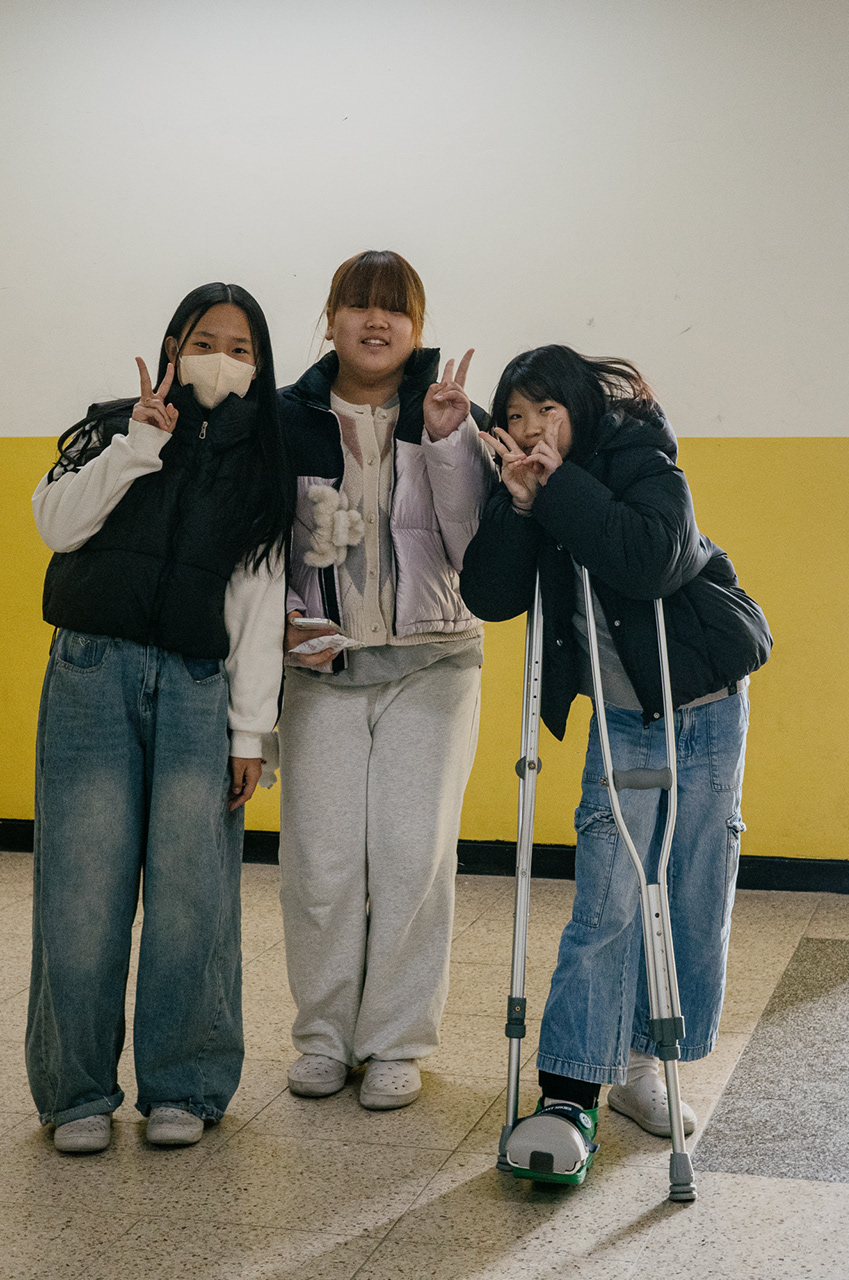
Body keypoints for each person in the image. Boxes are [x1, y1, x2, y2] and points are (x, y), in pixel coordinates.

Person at [459, 344, 770, 1178]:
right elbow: (489, 596)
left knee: (692, 890)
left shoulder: (639, 453)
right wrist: (517, 505)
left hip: (707, 700)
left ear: (580, 408)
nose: (531, 430)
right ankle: (569, 1092)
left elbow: (654, 556)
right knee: (608, 899)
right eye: (514, 417)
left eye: (546, 412)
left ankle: (640, 1066)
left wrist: (559, 488)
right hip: (623, 719)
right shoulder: (525, 485)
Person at [27, 283, 291, 1154]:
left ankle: (184, 1085)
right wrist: (137, 446)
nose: (223, 360)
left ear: (260, 366)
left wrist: (250, 733)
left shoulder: (263, 465)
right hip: (91, 675)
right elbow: (55, 524)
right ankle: (76, 1094)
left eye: (242, 349)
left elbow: (258, 604)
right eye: (206, 341)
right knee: (81, 892)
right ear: (173, 346)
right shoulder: (113, 426)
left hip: (196, 686)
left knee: (192, 898)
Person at [276, 250, 494, 1111]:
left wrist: (447, 442)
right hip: (320, 669)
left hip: (433, 663)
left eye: (395, 308)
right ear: (330, 318)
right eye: (359, 305)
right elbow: (257, 543)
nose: (377, 321)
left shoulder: (450, 413)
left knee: (412, 856)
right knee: (322, 863)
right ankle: (323, 1037)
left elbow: (473, 547)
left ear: (417, 326)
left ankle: (397, 1041)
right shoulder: (285, 417)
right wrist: (284, 622)